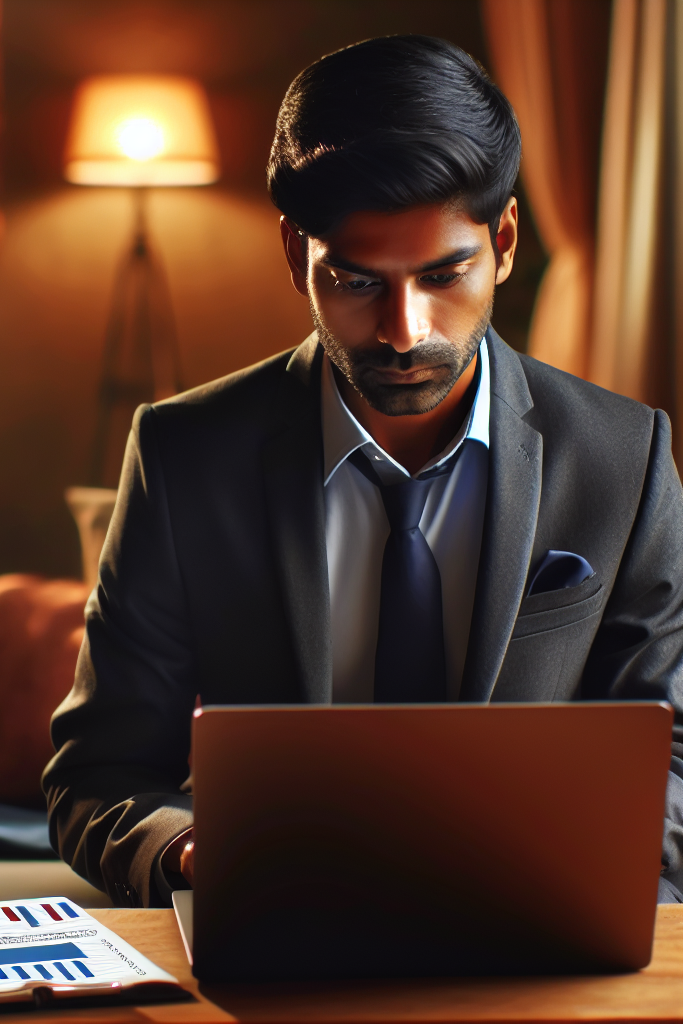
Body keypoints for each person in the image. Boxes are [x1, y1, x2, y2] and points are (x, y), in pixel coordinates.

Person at [42, 35, 683, 908]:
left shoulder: (625, 456)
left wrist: (602, 881)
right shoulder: (183, 454)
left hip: (542, 940)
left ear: (502, 242)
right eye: (355, 281)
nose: (404, 329)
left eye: (443, 274)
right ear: (292, 253)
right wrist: (201, 853)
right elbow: (98, 773)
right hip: (278, 942)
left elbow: (671, 756)